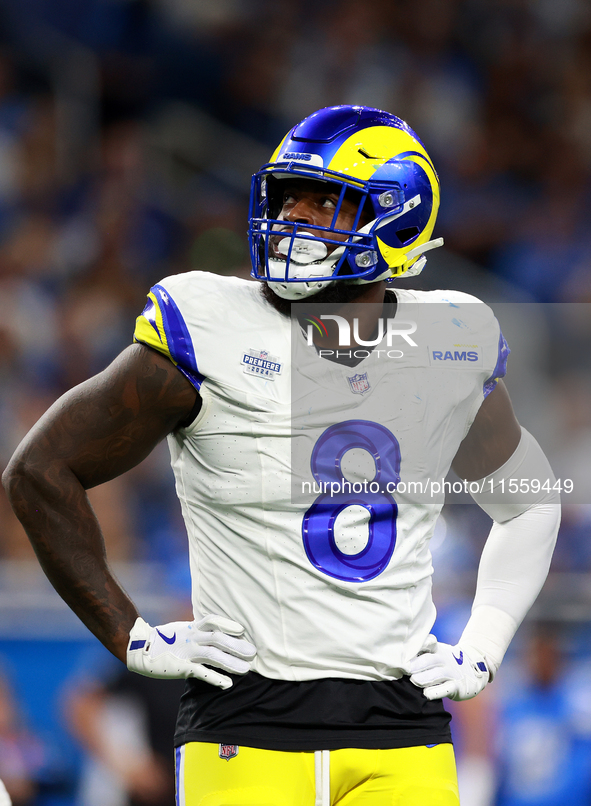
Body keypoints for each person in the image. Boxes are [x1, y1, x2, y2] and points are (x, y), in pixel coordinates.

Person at [2, 105, 561, 805]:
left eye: (324, 201)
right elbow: (39, 471)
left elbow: (530, 501)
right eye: (286, 196)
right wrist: (133, 637)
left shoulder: (449, 336)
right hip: (245, 721)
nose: (292, 217)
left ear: (396, 216)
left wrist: (484, 642)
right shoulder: (208, 322)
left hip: (401, 725)